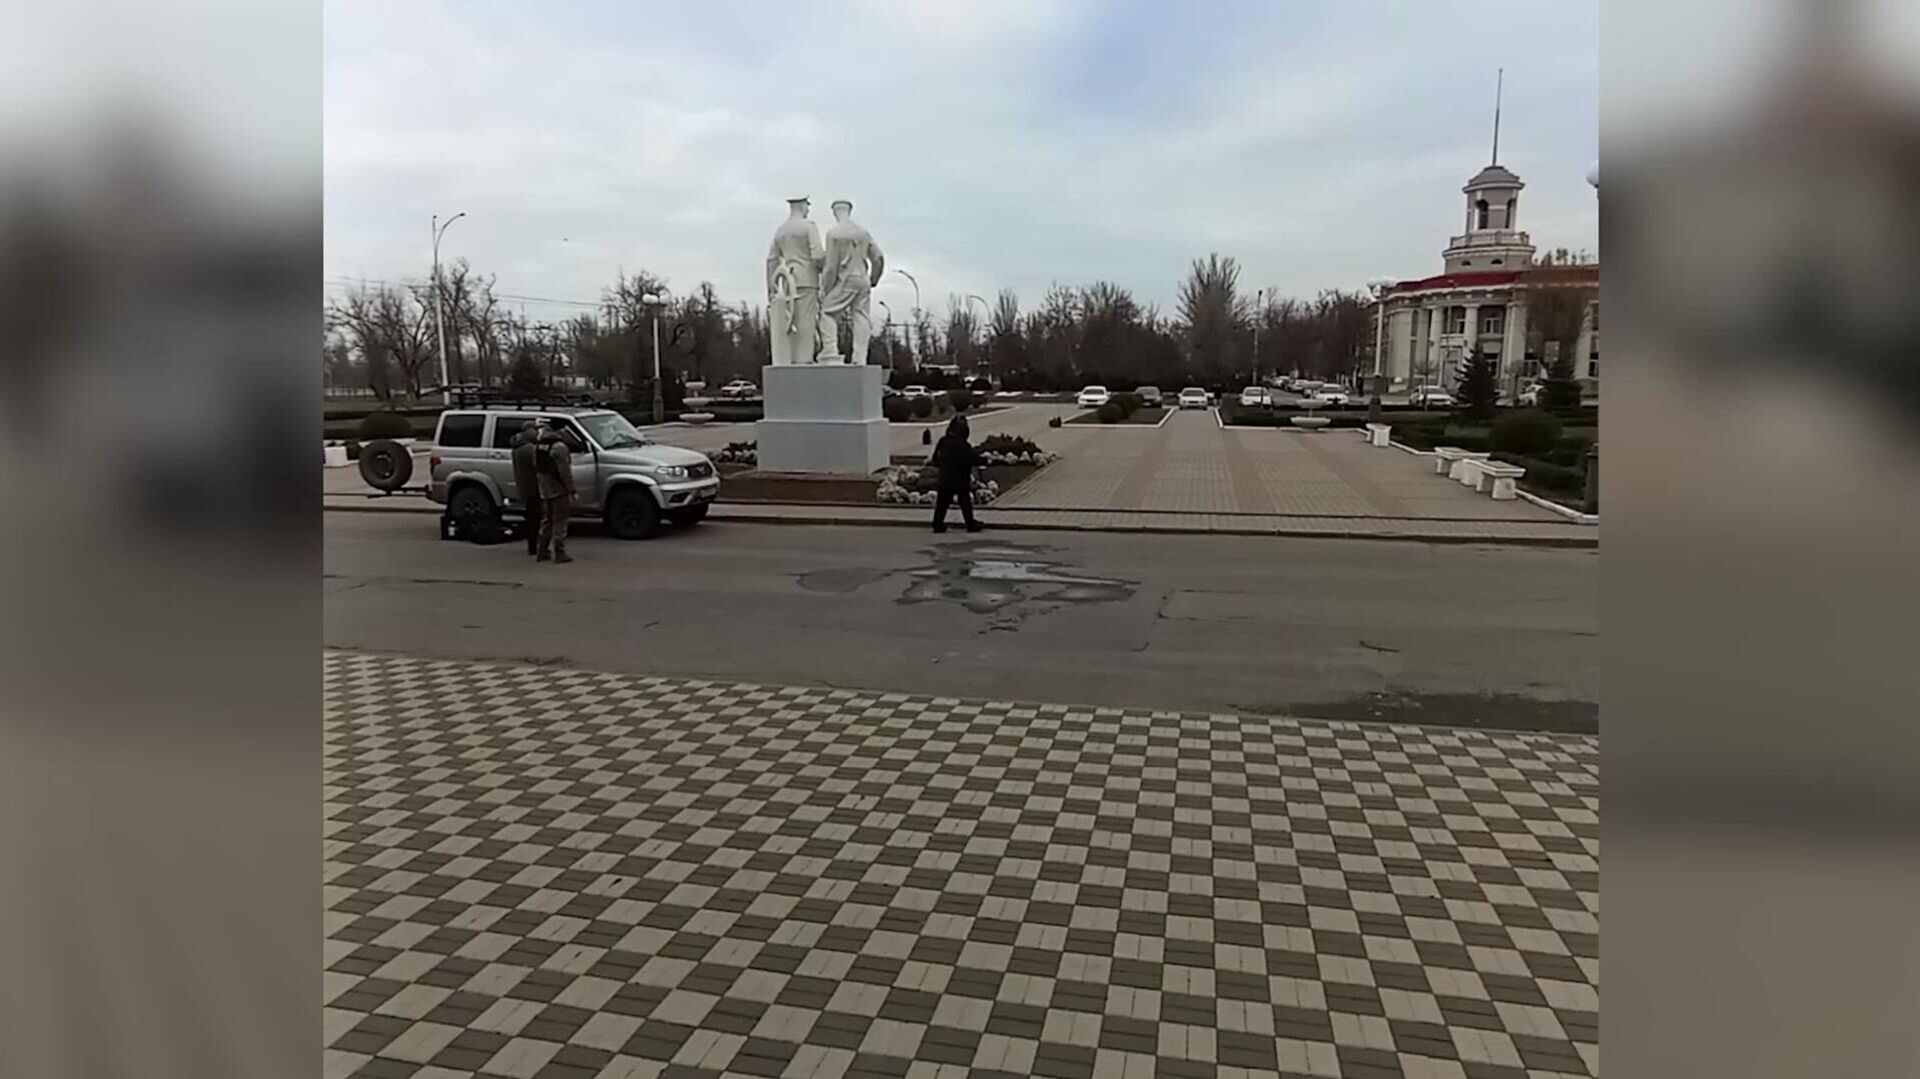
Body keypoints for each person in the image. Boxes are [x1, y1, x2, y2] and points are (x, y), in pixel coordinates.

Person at [930, 415, 982, 534]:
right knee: (964, 502)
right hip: (960, 479)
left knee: (942, 503)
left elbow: (935, 459)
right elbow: (972, 459)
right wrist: (986, 460)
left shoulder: (943, 442)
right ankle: (970, 524)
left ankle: (937, 524)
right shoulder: (964, 445)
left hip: (945, 478)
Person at [534, 420, 575, 562]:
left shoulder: (540, 445)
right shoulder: (559, 447)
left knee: (547, 520)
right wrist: (571, 489)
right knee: (560, 521)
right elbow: (564, 471)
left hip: (545, 489)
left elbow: (537, 467)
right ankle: (559, 552)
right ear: (560, 430)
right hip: (558, 488)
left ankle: (542, 550)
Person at [509, 419, 543, 556]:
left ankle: (532, 545)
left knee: (531, 516)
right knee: (535, 518)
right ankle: (534, 546)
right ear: (528, 430)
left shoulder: (517, 446)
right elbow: (538, 466)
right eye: (535, 430)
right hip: (533, 487)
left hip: (524, 487)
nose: (537, 433)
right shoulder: (529, 448)